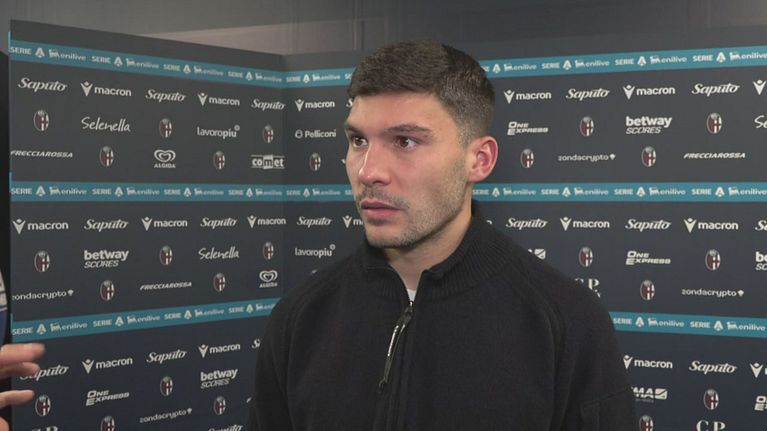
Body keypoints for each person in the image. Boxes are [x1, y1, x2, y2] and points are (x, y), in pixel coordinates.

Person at [248, 41, 635, 430]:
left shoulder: (565, 322)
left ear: (479, 160)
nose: (368, 172)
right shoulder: (301, 318)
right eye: (358, 141)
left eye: (405, 141)